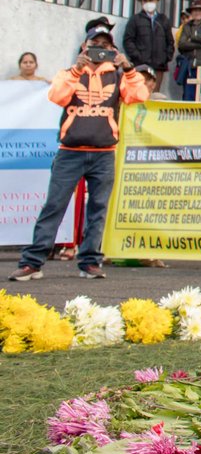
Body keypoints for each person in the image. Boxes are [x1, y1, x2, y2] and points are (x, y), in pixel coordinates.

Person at [9, 19, 148, 282]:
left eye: (105, 46)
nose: (99, 50)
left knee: (98, 208)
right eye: (95, 44)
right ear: (84, 45)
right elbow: (57, 96)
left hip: (104, 153)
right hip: (70, 151)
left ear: (113, 49)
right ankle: (33, 262)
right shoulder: (68, 72)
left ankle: (89, 262)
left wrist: (127, 67)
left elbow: (139, 95)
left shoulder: (118, 74)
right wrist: (77, 70)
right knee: (54, 205)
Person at [122, 0, 174, 91]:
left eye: (151, 0)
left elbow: (170, 41)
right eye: (145, 0)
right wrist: (137, 57)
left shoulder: (163, 19)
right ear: (141, 3)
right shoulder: (135, 19)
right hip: (141, 66)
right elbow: (128, 40)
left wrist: (166, 57)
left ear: (156, 1)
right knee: (139, 92)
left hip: (159, 65)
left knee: (154, 93)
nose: (148, 2)